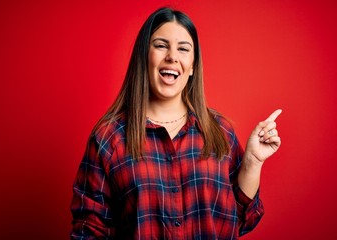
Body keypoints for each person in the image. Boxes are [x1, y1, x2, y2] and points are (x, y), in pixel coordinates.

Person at [70, 7, 282, 239]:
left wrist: (252, 162)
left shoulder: (220, 131)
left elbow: (241, 219)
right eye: (161, 46)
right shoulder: (109, 138)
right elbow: (89, 231)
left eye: (183, 49)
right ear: (144, 56)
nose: (172, 56)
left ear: (192, 66)